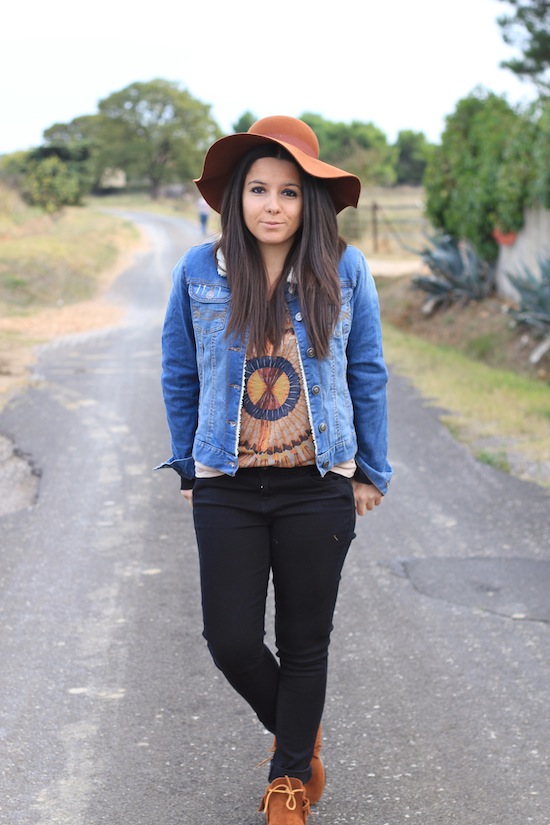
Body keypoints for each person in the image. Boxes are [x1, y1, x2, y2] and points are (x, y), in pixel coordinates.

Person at [158, 115, 393, 824]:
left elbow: (367, 370)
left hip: (316, 483)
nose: (272, 205)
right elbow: (178, 370)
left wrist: (370, 471)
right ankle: (299, 732)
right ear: (236, 197)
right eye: (258, 189)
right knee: (230, 640)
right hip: (227, 484)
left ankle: (287, 783)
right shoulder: (198, 270)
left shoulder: (343, 269)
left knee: (304, 640)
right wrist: (189, 466)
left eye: (289, 192)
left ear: (309, 201)